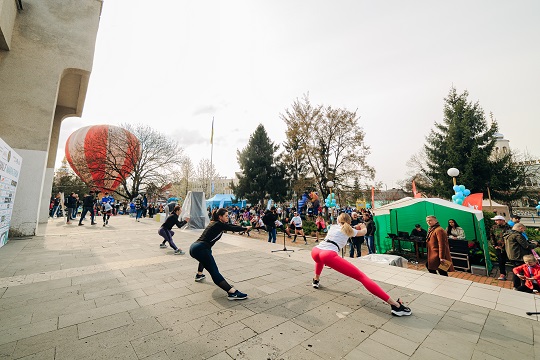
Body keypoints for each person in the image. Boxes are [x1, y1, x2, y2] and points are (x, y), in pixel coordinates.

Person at [311, 213, 412, 317]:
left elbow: (345, 228)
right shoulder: (349, 230)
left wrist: (354, 226)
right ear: (349, 222)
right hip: (328, 254)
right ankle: (395, 306)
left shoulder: (333, 227)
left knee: (319, 261)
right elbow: (364, 232)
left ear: (338, 221)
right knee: (361, 277)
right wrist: (363, 226)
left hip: (316, 251)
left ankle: (316, 280)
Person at [189, 208, 252, 300]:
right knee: (214, 271)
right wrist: (245, 228)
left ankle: (199, 275)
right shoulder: (218, 224)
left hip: (196, 247)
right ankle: (232, 293)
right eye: (226, 216)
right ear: (220, 217)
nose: (228, 217)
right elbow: (231, 228)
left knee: (206, 257)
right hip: (201, 248)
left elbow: (230, 225)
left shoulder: (215, 223)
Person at [489, 215, 511, 280]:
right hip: (499, 247)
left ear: (502, 220)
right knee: (501, 261)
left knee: (511, 260)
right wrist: (495, 245)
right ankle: (502, 274)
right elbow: (491, 236)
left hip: (508, 247)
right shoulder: (494, 227)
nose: (495, 222)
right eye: (495, 220)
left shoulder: (509, 228)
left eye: (497, 220)